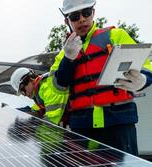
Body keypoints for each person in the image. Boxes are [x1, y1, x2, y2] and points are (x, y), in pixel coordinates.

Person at [51, 0, 152, 155]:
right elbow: (59, 84)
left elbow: (146, 65)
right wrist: (68, 58)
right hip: (83, 129)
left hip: (119, 124)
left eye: (86, 13)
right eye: (75, 16)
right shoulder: (62, 55)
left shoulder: (116, 36)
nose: (82, 19)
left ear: (93, 13)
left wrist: (144, 79)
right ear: (67, 21)